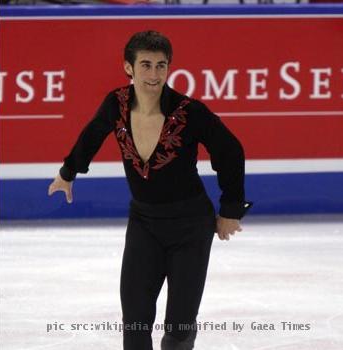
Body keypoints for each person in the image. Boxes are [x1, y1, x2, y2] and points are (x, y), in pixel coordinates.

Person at [48, 30, 252, 350]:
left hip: (191, 226)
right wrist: (68, 172)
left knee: (180, 325)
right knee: (135, 321)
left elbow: (230, 151)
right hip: (144, 223)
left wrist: (230, 210)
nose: (154, 74)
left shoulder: (189, 112)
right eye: (145, 65)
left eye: (161, 65)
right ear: (128, 67)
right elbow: (92, 135)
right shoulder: (115, 104)